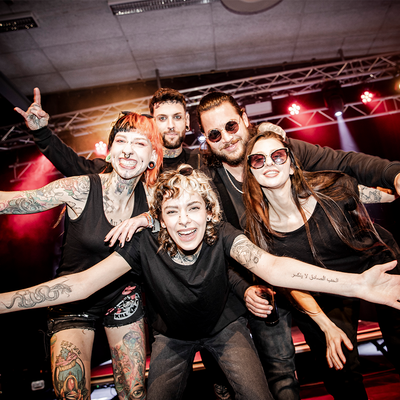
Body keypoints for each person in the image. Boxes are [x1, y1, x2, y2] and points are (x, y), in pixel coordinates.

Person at [1, 165, 400, 400]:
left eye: (194, 208)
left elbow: (273, 268)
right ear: (158, 218)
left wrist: (358, 285)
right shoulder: (142, 243)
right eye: (172, 211)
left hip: (225, 330)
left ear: (210, 212)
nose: (184, 221)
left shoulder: (222, 233)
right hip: (172, 339)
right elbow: (80, 285)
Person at [194, 91, 400, 400]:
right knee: (339, 371)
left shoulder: (304, 167)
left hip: (374, 262)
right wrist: (324, 323)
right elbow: (275, 269)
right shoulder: (245, 216)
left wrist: (393, 175)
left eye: (231, 126)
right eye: (214, 134)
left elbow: (350, 169)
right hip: (311, 282)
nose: (226, 137)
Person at [0, 111, 163, 400]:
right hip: (71, 299)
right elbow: (12, 203)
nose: (128, 150)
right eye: (121, 141)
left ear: (153, 157)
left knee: (134, 394)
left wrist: (150, 219)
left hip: (123, 296)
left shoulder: (155, 200)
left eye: (139, 143)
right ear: (109, 153)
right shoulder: (81, 188)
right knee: (72, 395)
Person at [242, 129, 400, 399]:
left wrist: (394, 185)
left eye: (278, 156)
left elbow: (377, 194)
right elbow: (290, 282)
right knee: (339, 370)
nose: (269, 163)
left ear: (292, 165)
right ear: (251, 172)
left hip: (380, 265)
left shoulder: (330, 188)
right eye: (258, 159)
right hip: (328, 288)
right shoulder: (258, 229)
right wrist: (327, 326)